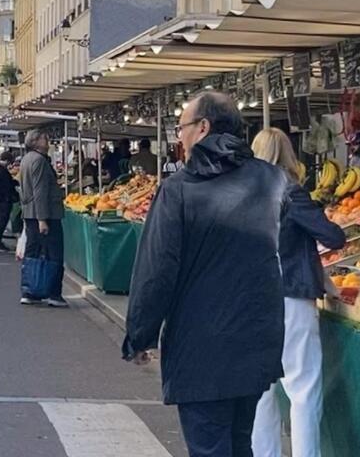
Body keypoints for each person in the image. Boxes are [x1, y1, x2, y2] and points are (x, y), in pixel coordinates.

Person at [123, 91, 289, 457]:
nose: (178, 136)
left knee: (210, 447)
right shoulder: (272, 180)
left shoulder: (179, 189)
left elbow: (156, 270)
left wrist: (139, 335)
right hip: (257, 338)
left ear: (203, 127)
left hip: (201, 344)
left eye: (181, 127)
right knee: (239, 443)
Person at [251, 128, 346, 457]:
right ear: (288, 154)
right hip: (291, 295)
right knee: (303, 389)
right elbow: (333, 237)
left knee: (261, 389)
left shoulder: (243, 194)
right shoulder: (291, 192)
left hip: (253, 299)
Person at [19, 129, 68, 308]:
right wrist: (42, 219)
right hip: (46, 214)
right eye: (43, 138)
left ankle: (29, 290)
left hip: (31, 213)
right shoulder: (39, 161)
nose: (47, 140)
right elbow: (40, 191)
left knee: (32, 253)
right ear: (35, 142)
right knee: (54, 253)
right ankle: (54, 293)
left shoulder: (26, 159)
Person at [0, 151, 19, 251]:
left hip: (1, 199)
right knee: (2, 220)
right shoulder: (1, 171)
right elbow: (6, 185)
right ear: (7, 160)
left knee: (1, 220)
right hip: (3, 199)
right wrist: (15, 184)